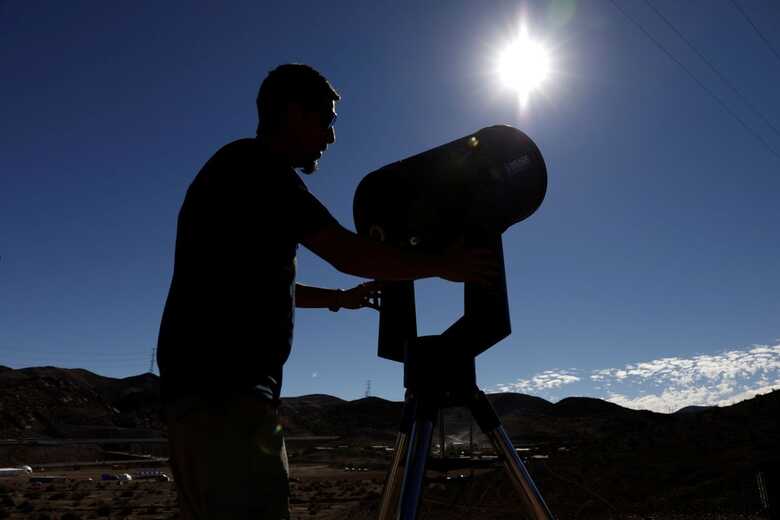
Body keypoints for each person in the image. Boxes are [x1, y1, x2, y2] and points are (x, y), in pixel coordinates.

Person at [157, 63, 497, 519]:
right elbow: (346, 250)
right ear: (295, 113)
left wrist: (340, 298)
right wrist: (443, 265)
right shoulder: (261, 170)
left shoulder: (232, 171)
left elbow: (262, 285)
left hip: (198, 402)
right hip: (229, 403)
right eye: (327, 120)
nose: (331, 137)